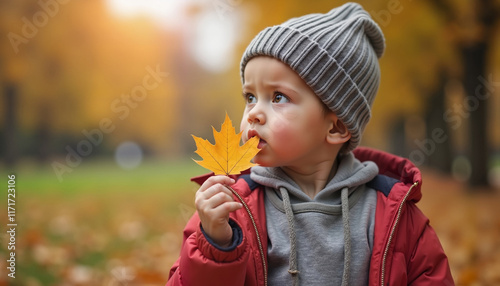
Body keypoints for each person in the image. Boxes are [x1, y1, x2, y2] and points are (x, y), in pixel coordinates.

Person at [167, 2, 454, 285]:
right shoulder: (231, 208)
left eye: (278, 97)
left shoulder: (395, 215)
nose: (253, 112)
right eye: (250, 97)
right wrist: (216, 244)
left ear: (336, 127)